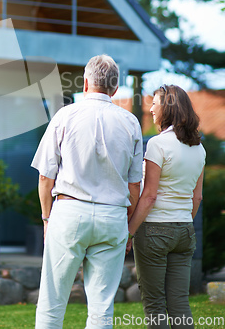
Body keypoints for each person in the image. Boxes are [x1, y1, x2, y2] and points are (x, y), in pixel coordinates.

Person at [31, 54, 143, 329]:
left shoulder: (65, 115)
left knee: (52, 301)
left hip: (69, 212)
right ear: (115, 89)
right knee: (102, 308)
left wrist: (47, 219)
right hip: (113, 216)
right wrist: (127, 227)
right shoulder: (131, 123)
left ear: (85, 83)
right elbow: (134, 186)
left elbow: (46, 177)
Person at [127, 85, 205, 329]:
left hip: (153, 232)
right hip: (184, 231)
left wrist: (129, 232)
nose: (150, 108)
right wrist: (183, 222)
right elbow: (197, 197)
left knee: (155, 304)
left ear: (168, 108)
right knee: (180, 302)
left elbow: (148, 197)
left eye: (155, 104)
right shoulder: (199, 148)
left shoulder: (157, 144)